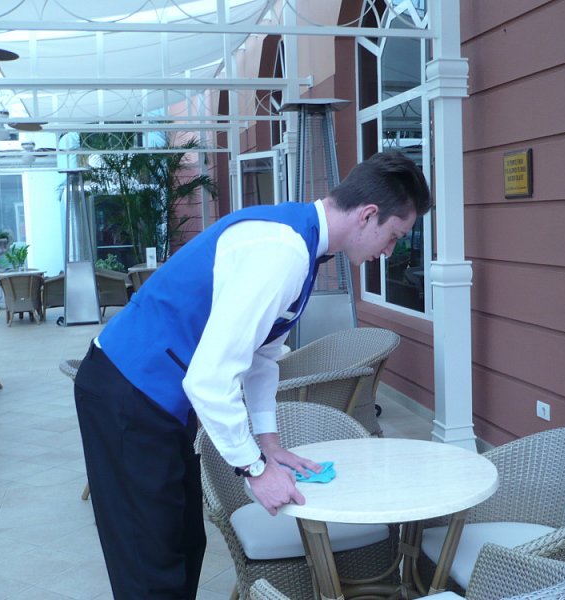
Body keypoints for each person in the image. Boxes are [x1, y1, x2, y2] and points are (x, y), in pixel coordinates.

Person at [73, 151, 431, 599]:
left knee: (184, 542)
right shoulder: (282, 252)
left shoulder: (302, 245)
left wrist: (269, 442)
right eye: (394, 236)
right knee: (151, 560)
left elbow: (261, 358)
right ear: (368, 215)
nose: (390, 251)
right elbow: (208, 380)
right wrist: (255, 469)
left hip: (159, 396)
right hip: (127, 391)